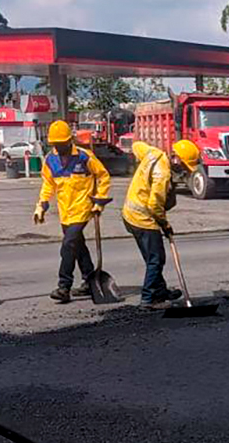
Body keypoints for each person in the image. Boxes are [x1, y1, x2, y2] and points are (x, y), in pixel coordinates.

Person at [33, 120, 111, 303]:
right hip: (65, 211)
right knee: (78, 245)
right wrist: (41, 205)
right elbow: (48, 184)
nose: (59, 148)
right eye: (56, 145)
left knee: (68, 245)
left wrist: (99, 200)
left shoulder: (85, 157)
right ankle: (89, 280)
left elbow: (103, 176)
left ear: (70, 141)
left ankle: (64, 286)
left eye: (62, 144)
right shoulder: (50, 160)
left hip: (83, 208)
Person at [122, 139, 199, 309]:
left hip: (129, 214)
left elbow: (136, 146)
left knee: (152, 257)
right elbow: (154, 206)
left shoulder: (153, 153)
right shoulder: (162, 174)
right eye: (183, 166)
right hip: (142, 218)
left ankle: (160, 290)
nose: (183, 170)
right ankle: (148, 299)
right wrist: (165, 225)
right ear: (176, 158)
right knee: (156, 260)